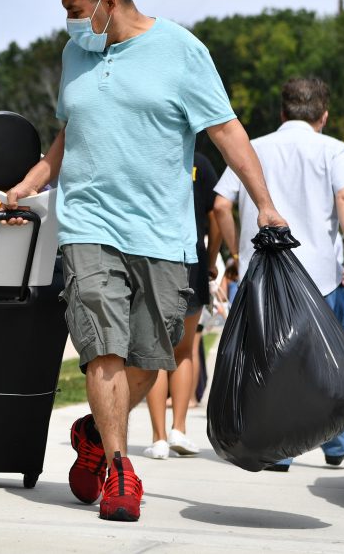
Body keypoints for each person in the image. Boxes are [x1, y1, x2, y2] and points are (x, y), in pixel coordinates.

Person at [4, 0, 287, 522]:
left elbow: (227, 131)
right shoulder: (75, 55)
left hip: (162, 232)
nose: (70, 20)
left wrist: (265, 206)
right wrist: (32, 181)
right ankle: (119, 468)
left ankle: (92, 429)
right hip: (86, 222)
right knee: (101, 343)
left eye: (76, 8)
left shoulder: (181, 52)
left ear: (108, 1)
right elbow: (69, 133)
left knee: (151, 358)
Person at [212, 76, 344, 472]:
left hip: (261, 282)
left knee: (272, 368)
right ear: (325, 116)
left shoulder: (254, 149)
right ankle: (335, 445)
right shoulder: (334, 150)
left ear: (282, 112)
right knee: (329, 365)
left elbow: (218, 205)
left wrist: (236, 252)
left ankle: (277, 447)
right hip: (320, 277)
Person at [142, 152, 220, 460]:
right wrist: (212, 259)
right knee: (184, 351)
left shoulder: (149, 154)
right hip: (193, 262)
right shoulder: (201, 161)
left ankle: (158, 438)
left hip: (154, 259)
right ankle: (179, 429)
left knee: (155, 351)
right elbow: (217, 214)